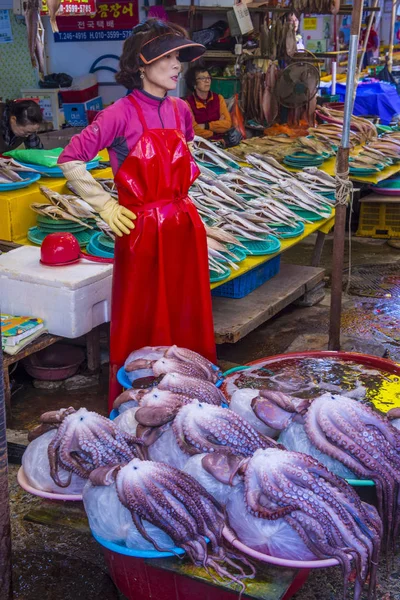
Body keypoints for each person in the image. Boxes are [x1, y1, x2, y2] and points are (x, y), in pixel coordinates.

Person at [58, 19, 217, 406]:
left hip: (183, 225)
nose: (177, 65)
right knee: (143, 313)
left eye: (178, 57)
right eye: (167, 57)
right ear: (141, 66)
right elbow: (71, 159)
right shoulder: (118, 113)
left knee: (186, 309)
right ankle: (141, 400)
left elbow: (185, 156)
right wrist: (106, 205)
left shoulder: (181, 110)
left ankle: (191, 390)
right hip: (141, 229)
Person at [185, 63, 232, 141]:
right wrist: (215, 132)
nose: (207, 81)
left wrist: (206, 126)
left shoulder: (219, 98)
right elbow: (193, 130)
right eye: (202, 78)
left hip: (220, 143)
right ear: (194, 83)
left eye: (208, 78)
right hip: (199, 145)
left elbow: (227, 124)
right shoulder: (188, 103)